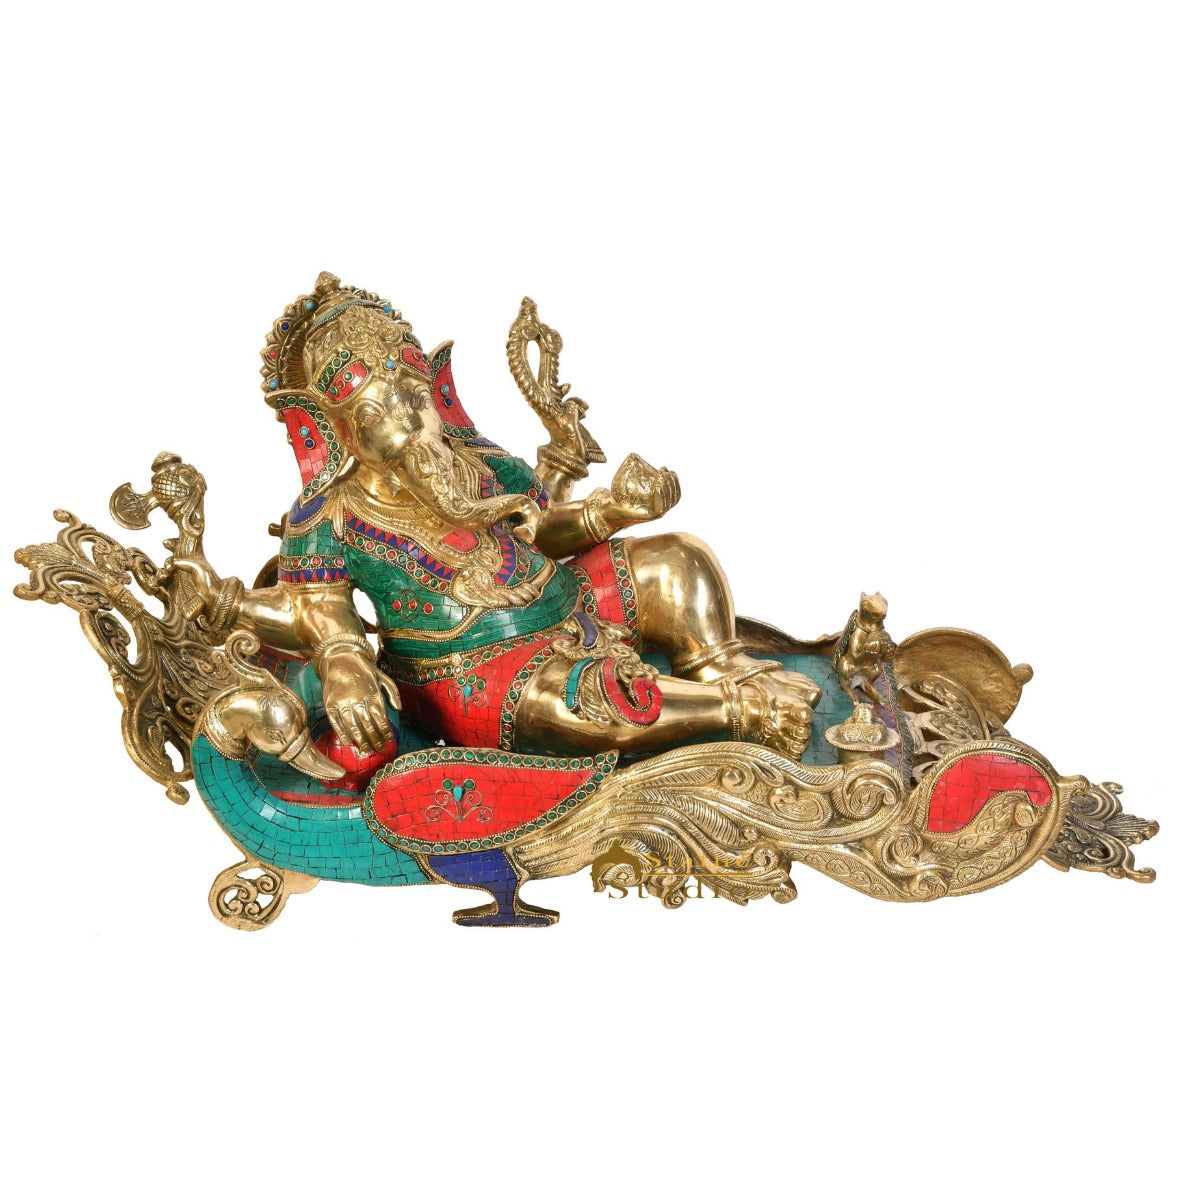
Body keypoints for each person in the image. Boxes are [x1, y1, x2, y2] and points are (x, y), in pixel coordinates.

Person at [181, 274, 819, 765]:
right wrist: (342, 662)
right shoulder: (329, 516)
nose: (410, 424)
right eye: (377, 416)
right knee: (578, 705)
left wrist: (611, 511)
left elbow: (540, 528)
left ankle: (715, 666)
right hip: (475, 669)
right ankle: (737, 710)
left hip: (570, 599)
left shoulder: (475, 461)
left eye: (415, 398)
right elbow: (317, 612)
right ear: (338, 431)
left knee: (678, 560)